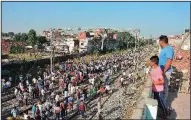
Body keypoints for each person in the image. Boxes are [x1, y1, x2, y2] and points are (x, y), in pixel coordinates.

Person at [158, 35, 174, 101]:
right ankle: (161, 100)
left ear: (161, 41)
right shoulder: (163, 49)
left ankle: (163, 102)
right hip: (162, 71)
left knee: (164, 87)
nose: (159, 42)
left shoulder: (169, 49)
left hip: (166, 72)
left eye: (159, 41)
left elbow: (169, 61)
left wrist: (163, 71)